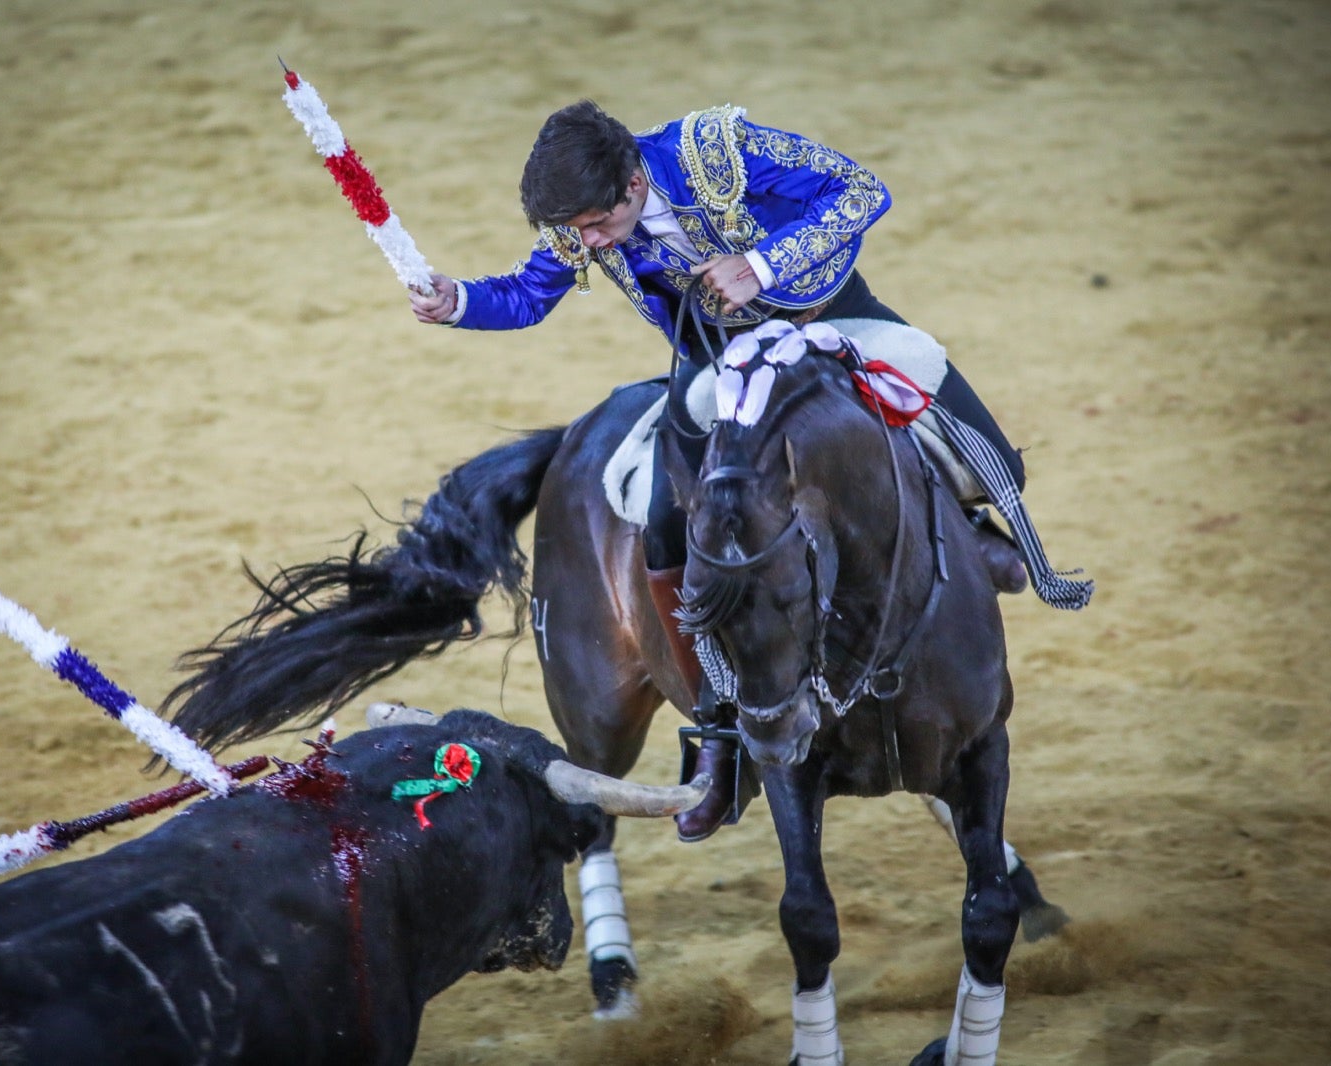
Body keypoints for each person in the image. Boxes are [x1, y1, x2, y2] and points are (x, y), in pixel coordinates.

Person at [410, 100, 1034, 841]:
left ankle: (968, 533)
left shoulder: (716, 149)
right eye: (573, 233)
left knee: (990, 455)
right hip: (717, 364)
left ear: (634, 183)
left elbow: (860, 191)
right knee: (669, 523)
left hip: (831, 322)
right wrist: (460, 302)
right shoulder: (584, 215)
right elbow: (527, 294)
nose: (584, 243)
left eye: (594, 227)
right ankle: (720, 726)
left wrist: (761, 264)